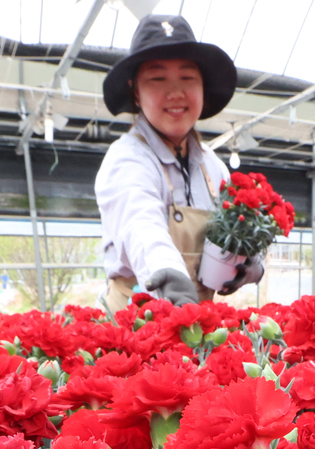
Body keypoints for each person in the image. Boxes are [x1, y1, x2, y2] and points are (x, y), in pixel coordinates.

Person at [96, 14, 263, 311]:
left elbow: (236, 232)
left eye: (187, 78)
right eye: (157, 79)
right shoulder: (126, 159)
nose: (175, 93)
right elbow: (141, 224)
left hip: (197, 318)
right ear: (136, 91)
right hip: (137, 321)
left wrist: (248, 263)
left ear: (202, 88)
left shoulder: (213, 166)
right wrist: (170, 276)